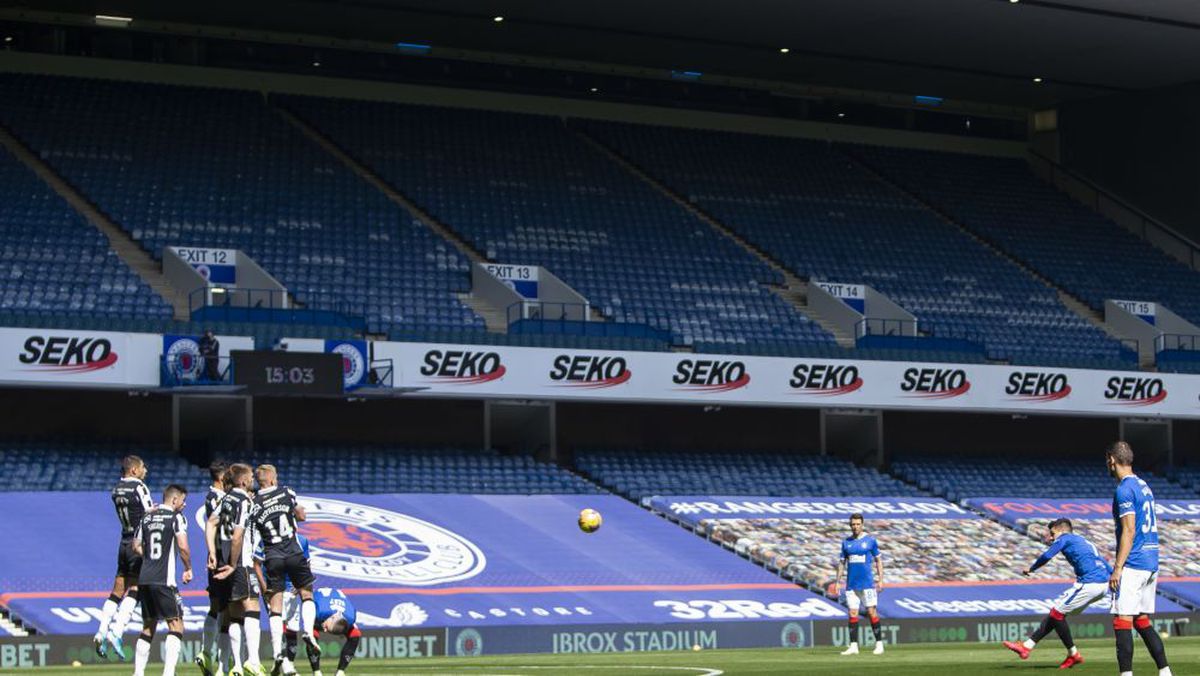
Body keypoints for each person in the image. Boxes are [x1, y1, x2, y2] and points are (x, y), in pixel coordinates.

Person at [1002, 518, 1112, 668]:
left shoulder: (1065, 538)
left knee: (1056, 614)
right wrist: (1114, 578)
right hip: (1102, 585)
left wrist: (1032, 568)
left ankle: (1073, 654)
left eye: (1052, 533)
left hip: (1089, 583)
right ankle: (1027, 646)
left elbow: (1047, 556)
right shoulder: (1083, 540)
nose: (1052, 537)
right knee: (1056, 615)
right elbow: (1103, 562)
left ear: (1061, 529)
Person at [1106, 441, 1172, 676]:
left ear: (1112, 460)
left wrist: (1117, 568)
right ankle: (1165, 672)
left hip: (1133, 563)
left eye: (1108, 461)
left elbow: (1130, 529)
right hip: (1151, 561)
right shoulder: (1144, 485)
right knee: (1141, 620)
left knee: (1122, 620)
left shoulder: (1124, 489)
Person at [251, 465, 319, 676]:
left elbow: (254, 536)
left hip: (272, 555)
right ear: (272, 480)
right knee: (307, 594)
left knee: (275, 607)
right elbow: (299, 514)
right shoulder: (286, 492)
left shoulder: (254, 504)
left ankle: (277, 652)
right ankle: (308, 631)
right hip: (292, 550)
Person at [94, 455, 154, 660]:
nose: (146, 470)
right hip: (137, 544)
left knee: (117, 589)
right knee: (136, 587)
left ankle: (101, 630)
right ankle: (117, 631)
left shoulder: (116, 488)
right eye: (143, 467)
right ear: (134, 471)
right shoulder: (139, 487)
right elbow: (148, 516)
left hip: (123, 542)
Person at [209, 464, 267, 676]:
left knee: (234, 615)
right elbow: (237, 536)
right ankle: (252, 661)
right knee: (252, 608)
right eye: (251, 477)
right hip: (240, 563)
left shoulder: (225, 498)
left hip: (223, 561)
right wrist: (234, 564)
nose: (253, 480)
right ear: (243, 481)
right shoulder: (243, 501)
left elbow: (210, 523)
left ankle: (235, 665)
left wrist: (212, 552)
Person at [130, 484, 192, 676]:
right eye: (182, 500)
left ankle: (138, 673)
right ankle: (168, 673)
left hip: (145, 578)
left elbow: (135, 546)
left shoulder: (146, 518)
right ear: (174, 500)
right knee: (176, 624)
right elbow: (182, 546)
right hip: (165, 580)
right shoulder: (176, 518)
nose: (184, 505)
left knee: (148, 626)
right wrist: (188, 567)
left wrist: (149, 556)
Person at [255, 533, 311, 676]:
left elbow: (306, 565)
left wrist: (300, 586)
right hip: (275, 589)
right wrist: (264, 588)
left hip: (292, 591)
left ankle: (289, 664)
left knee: (293, 629)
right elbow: (257, 563)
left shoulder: (302, 540)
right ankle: (283, 662)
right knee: (281, 625)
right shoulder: (268, 538)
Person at [834, 513, 885, 656]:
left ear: (862, 525)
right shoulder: (846, 543)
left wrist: (880, 580)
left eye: (857, 524)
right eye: (853, 524)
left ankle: (879, 644)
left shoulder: (870, 541)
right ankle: (854, 646)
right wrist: (838, 582)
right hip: (851, 585)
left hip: (867, 584)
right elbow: (842, 563)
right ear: (850, 525)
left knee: (871, 612)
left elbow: (878, 560)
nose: (855, 527)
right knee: (852, 613)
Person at [196, 461, 228, 676]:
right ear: (222, 476)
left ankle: (206, 652)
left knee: (215, 607)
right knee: (229, 612)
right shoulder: (219, 498)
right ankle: (222, 666)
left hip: (213, 559)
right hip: (224, 559)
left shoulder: (210, 497)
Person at [299, 587, 361, 676]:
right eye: (327, 628)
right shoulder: (319, 611)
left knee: (355, 634)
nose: (324, 630)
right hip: (320, 601)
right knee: (311, 634)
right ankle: (316, 671)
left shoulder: (351, 617)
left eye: (327, 629)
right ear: (331, 618)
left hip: (336, 604)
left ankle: (341, 671)